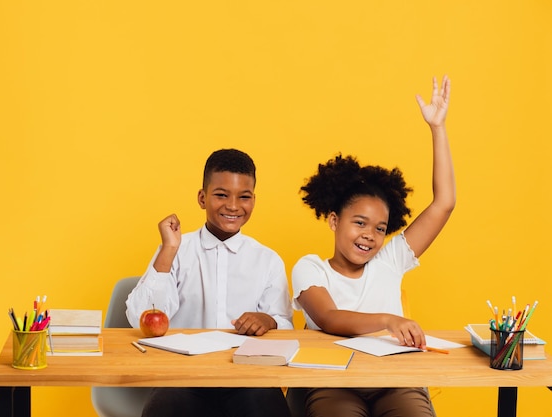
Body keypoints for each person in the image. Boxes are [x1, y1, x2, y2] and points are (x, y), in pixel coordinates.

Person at [291, 76, 455, 417]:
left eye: (380, 228)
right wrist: (388, 320)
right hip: (333, 380)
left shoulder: (390, 259)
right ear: (334, 221)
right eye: (359, 223)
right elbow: (329, 317)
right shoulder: (310, 267)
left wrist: (437, 128)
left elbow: (444, 204)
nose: (369, 235)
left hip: (393, 380)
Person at [126, 148, 294, 417]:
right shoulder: (177, 250)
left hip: (247, 378)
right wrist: (168, 250)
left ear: (254, 201)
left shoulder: (268, 260)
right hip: (183, 378)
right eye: (221, 195)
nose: (233, 206)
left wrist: (269, 320)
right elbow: (140, 319)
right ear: (202, 198)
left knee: (266, 405)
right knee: (166, 407)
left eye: (244, 197)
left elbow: (286, 328)